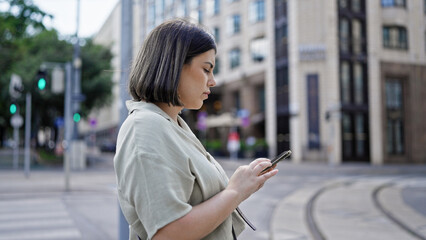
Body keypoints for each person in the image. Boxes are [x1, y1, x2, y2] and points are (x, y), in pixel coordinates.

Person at [113, 18, 278, 240]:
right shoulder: (145, 126)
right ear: (174, 65)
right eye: (206, 69)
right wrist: (235, 192)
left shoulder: (174, 125)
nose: (213, 81)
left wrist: (241, 184)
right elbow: (168, 233)